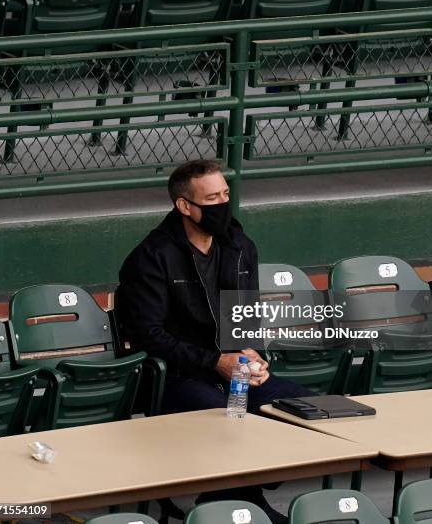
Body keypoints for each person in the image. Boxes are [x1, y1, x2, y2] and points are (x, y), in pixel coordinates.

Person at [117, 159, 314, 524]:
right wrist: (214, 362)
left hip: (233, 373)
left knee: (309, 409)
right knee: (230, 420)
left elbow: (247, 313)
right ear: (184, 206)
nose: (223, 204)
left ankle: (230, 493)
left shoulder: (239, 245)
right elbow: (149, 335)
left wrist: (252, 352)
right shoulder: (151, 257)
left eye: (225, 194)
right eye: (212, 198)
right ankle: (237, 503)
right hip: (178, 376)